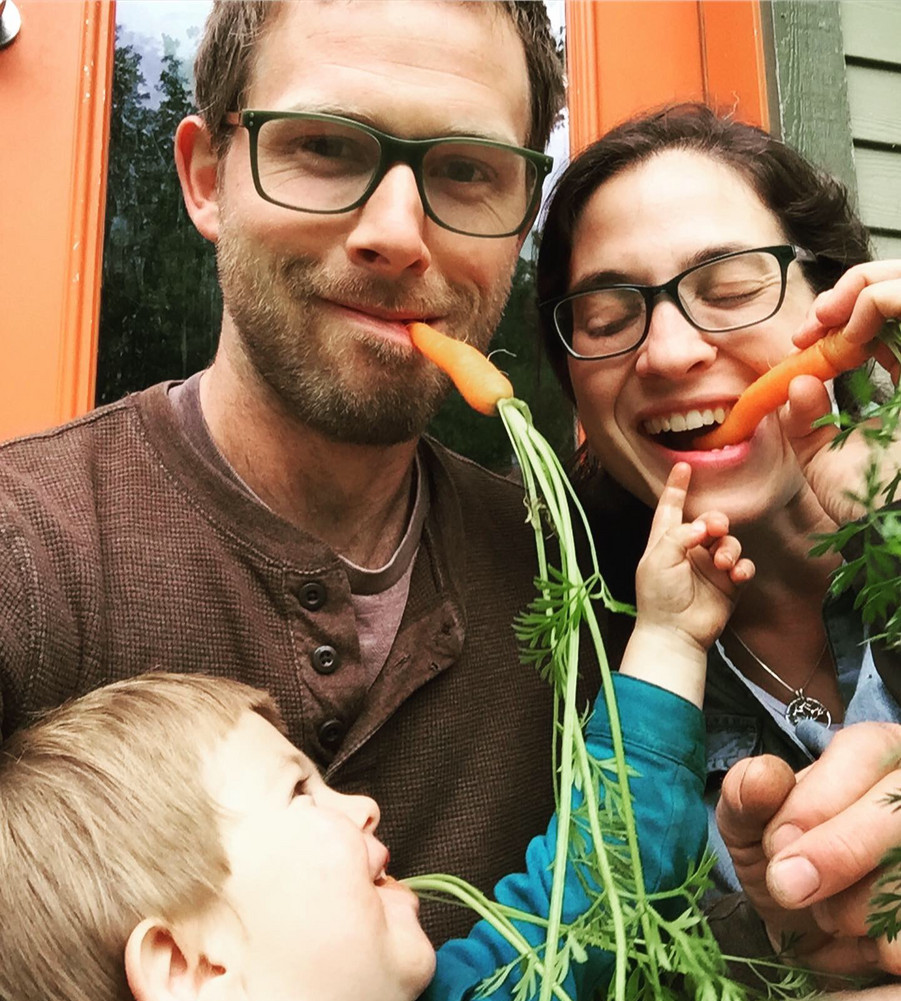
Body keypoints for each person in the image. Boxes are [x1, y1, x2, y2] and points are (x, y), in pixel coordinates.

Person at [0, 0, 567, 944]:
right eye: (327, 148)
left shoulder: (571, 580)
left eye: (467, 170)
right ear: (206, 179)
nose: (398, 233)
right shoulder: (26, 555)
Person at [0, 465, 753, 1001]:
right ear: (191, 968)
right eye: (299, 790)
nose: (362, 804)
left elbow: (603, 871)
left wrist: (669, 637)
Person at [535, 103, 901, 995]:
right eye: (605, 316)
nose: (667, 353)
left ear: (838, 305)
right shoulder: (581, 663)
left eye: (732, 288)